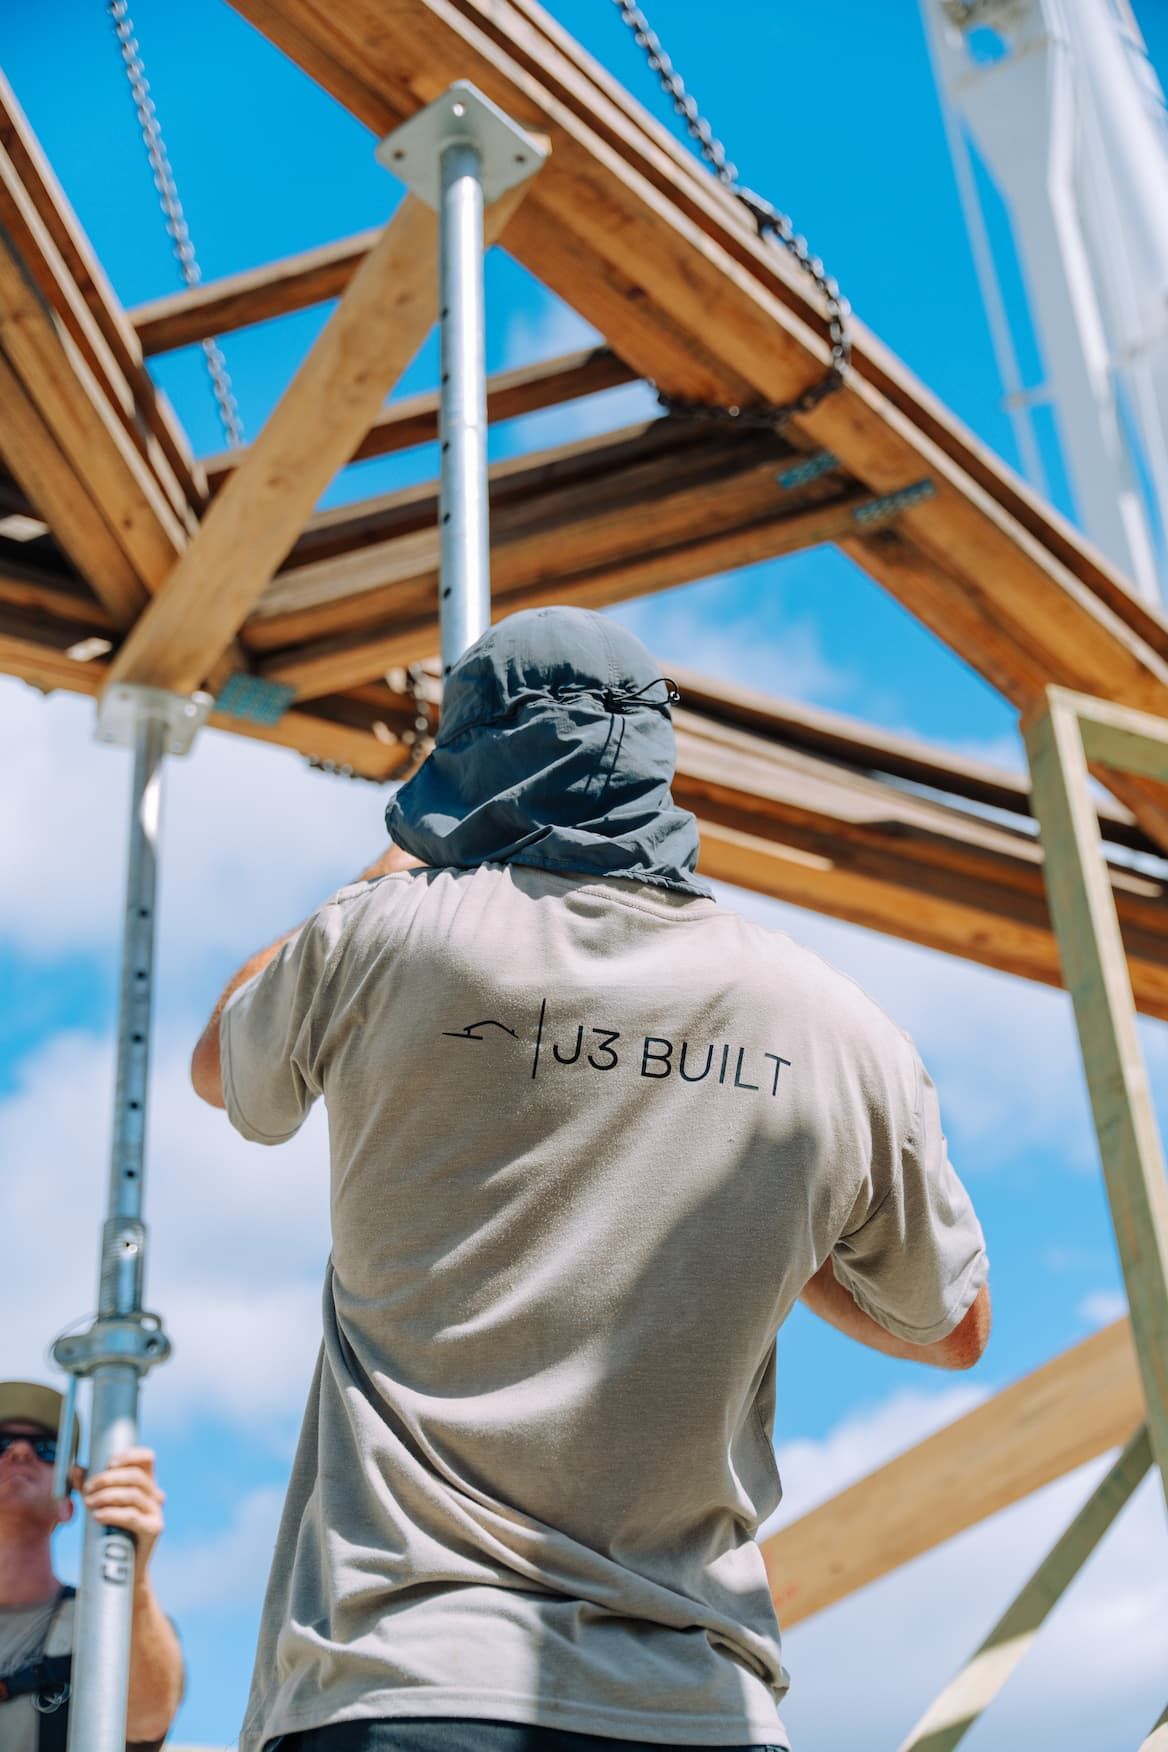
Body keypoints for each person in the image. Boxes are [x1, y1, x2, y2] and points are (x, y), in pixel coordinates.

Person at [191, 606, 990, 1752]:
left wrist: (399, 861)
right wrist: (780, 1218)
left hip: (413, 1676)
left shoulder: (385, 934)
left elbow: (223, 1067)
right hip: (696, 1705)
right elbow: (951, 1326)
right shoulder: (833, 1023)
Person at [0, 1379, 184, 1750]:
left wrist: (131, 1568)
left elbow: (148, 1723)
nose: (20, 1451)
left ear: (69, 1504)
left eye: (47, 1449)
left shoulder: (109, 1622)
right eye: (0, 1443)